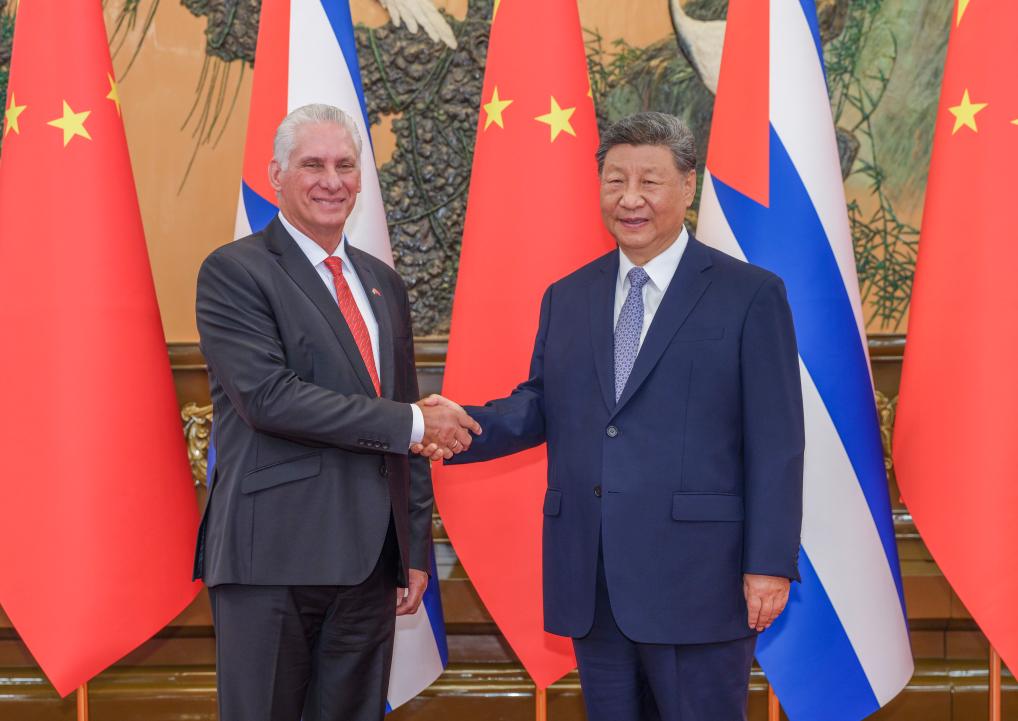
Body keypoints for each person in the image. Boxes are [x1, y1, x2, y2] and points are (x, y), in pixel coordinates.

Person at [418, 111, 805, 721]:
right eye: (614, 180)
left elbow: (777, 441)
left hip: (701, 581)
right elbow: (540, 406)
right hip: (593, 579)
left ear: (688, 186)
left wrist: (769, 563)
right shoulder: (568, 296)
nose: (630, 199)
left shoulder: (750, 295)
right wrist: (457, 422)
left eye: (649, 181)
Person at [193, 103, 480, 721]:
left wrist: (412, 547)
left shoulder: (382, 283)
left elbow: (408, 418)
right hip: (271, 558)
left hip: (371, 562)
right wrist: (413, 423)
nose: (333, 180)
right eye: (313, 164)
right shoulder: (235, 272)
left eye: (346, 165)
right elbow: (269, 397)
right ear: (276, 173)